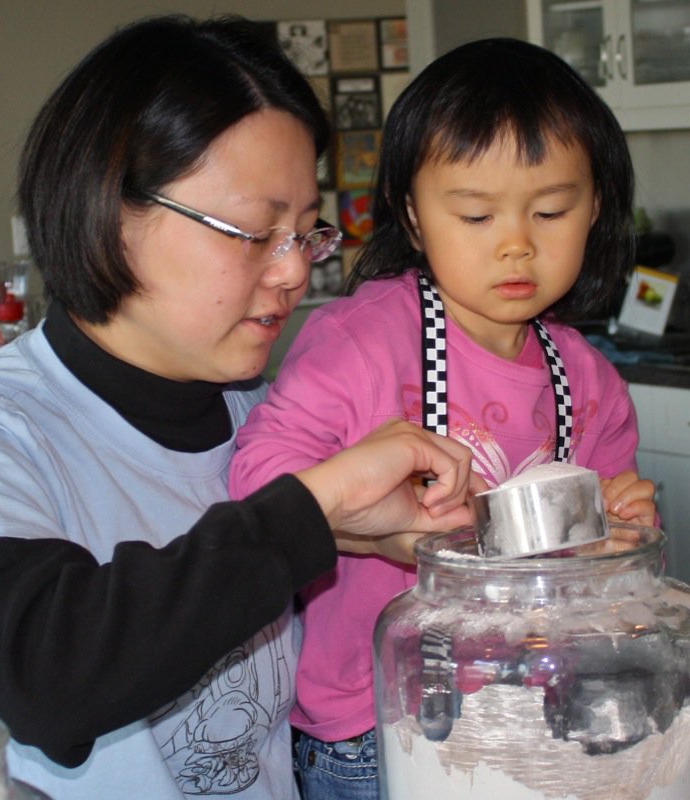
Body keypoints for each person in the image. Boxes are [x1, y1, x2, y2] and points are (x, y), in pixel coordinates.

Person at [0, 16, 480, 800]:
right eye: (254, 233)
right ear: (110, 212)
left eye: (306, 234)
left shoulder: (266, 421)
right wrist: (311, 511)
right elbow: (50, 676)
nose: (294, 272)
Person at [229, 37, 657, 800]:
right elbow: (259, 480)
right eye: (476, 214)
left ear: (596, 207)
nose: (517, 243)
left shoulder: (590, 380)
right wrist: (360, 513)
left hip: (531, 714)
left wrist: (618, 530)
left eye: (551, 210)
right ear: (415, 216)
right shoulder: (360, 343)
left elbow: (600, 562)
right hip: (371, 722)